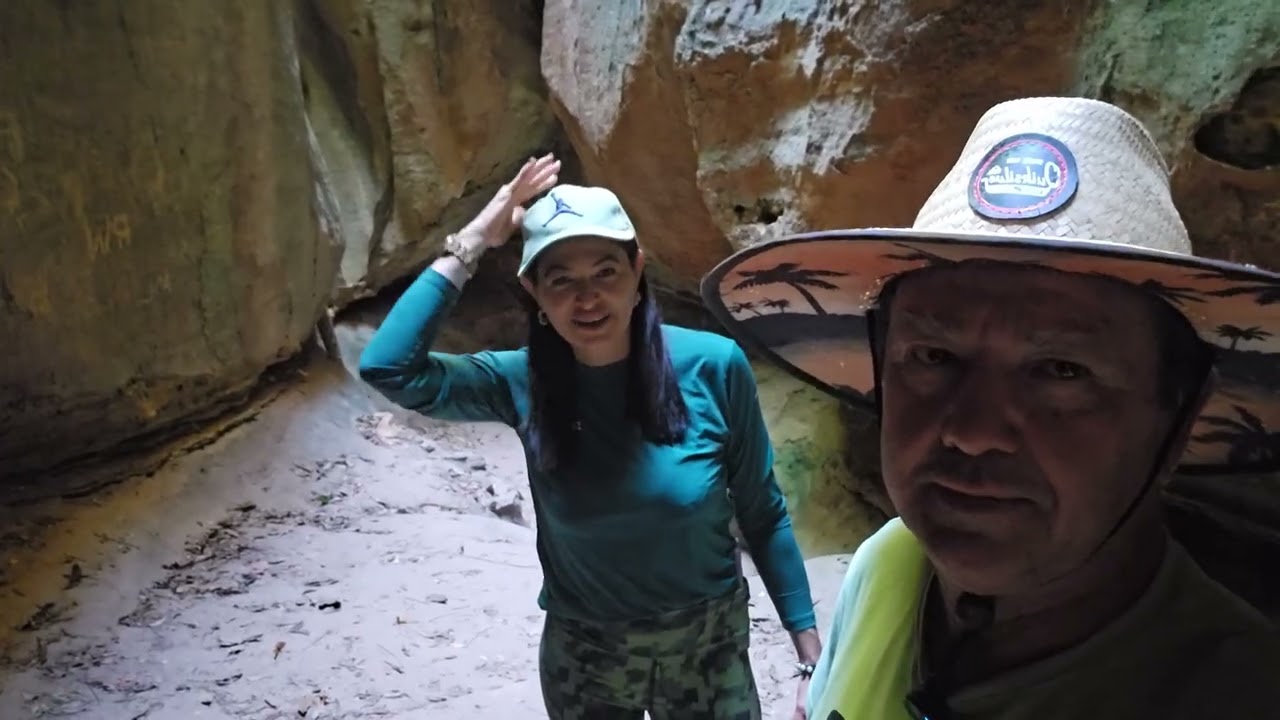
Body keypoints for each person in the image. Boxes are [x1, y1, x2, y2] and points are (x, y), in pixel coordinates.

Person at [701, 96, 1280, 719]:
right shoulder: (889, 566)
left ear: (1179, 418)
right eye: (933, 356)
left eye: (1061, 370)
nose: (973, 432)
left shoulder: (1239, 693)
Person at [358, 155, 822, 719]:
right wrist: (476, 237)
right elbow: (388, 368)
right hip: (587, 659)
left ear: (637, 272)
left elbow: (762, 513)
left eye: (606, 272)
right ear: (533, 291)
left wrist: (809, 655)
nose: (588, 298)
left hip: (707, 650)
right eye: (562, 280)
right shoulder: (521, 381)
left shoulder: (713, 366)